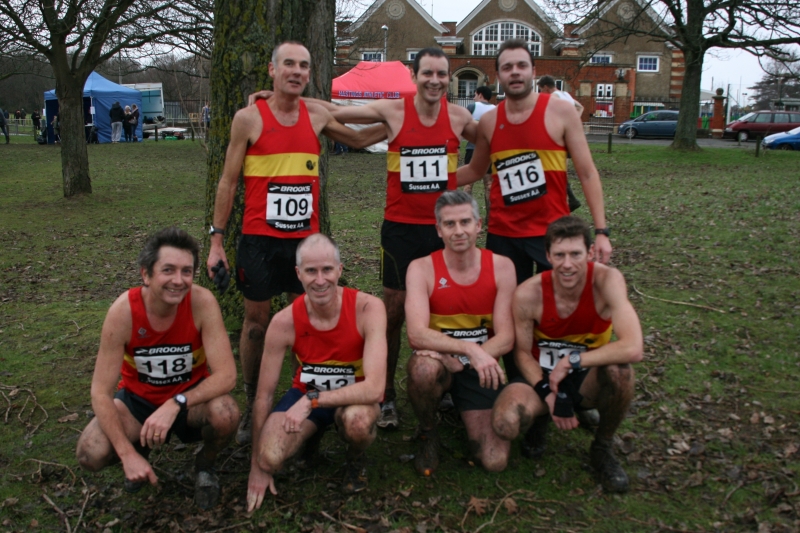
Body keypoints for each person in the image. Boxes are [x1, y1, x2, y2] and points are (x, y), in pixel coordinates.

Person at [207, 41, 386, 445]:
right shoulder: (248, 119)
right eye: (288, 64)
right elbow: (228, 182)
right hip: (259, 240)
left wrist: (400, 123)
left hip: (305, 245)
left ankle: (301, 397)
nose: (297, 71)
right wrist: (217, 240)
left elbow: (358, 141)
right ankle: (253, 403)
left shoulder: (317, 113)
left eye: (304, 66)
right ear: (272, 70)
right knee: (256, 325)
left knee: (302, 322)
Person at [457, 39, 612, 379]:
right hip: (504, 235)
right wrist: (431, 181)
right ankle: (521, 382)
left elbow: (587, 172)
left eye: (521, 66)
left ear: (533, 71)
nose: (515, 72)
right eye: (507, 67)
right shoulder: (489, 121)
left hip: (551, 235)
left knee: (561, 308)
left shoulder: (560, 112)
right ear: (498, 75)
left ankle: (570, 380)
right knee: (511, 313)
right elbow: (476, 170)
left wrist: (601, 231)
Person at [75, 227, 240, 509]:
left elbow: (227, 376)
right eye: (168, 270)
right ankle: (139, 450)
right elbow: (100, 392)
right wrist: (126, 454)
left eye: (186, 271)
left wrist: (177, 403)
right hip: (138, 402)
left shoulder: (202, 303)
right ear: (146, 274)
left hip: (189, 400)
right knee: (90, 453)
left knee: (227, 413)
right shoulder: (123, 312)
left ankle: (205, 465)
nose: (178, 280)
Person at [491, 216, 642, 493]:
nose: (568, 264)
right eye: (559, 255)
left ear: (591, 252)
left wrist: (572, 361)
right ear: (547, 255)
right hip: (541, 377)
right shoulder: (528, 294)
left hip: (586, 378)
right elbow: (522, 353)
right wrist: (548, 392)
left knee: (621, 372)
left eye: (576, 254)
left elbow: (633, 347)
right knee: (504, 423)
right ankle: (541, 418)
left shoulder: (607, 281)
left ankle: (602, 447)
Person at [246, 234, 387, 511]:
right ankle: (312, 436)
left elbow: (374, 389)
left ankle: (355, 459)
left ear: (339, 270)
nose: (320, 280)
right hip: (306, 396)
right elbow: (263, 396)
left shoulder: (368, 308)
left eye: (327, 270)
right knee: (269, 457)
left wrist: (313, 400)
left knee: (357, 423)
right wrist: (256, 466)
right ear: (298, 273)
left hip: (353, 399)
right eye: (311, 271)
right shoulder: (284, 321)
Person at [404, 190, 516, 476]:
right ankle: (428, 432)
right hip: (440, 363)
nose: (458, 231)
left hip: (478, 369)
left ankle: (464, 404)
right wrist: (468, 350)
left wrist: (467, 361)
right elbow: (416, 334)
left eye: (465, 222)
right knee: (423, 370)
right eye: (449, 224)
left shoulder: (502, 267)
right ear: (438, 229)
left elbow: (506, 337)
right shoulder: (421, 268)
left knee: (494, 461)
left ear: (479, 225)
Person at [462, 86, 495, 203]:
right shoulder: (495, 109)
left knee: (468, 184)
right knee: (489, 185)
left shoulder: (472, 107)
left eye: (475, 94)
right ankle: (490, 213)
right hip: (489, 150)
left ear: (480, 95)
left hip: (472, 148)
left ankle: (466, 210)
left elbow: (463, 126)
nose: (473, 97)